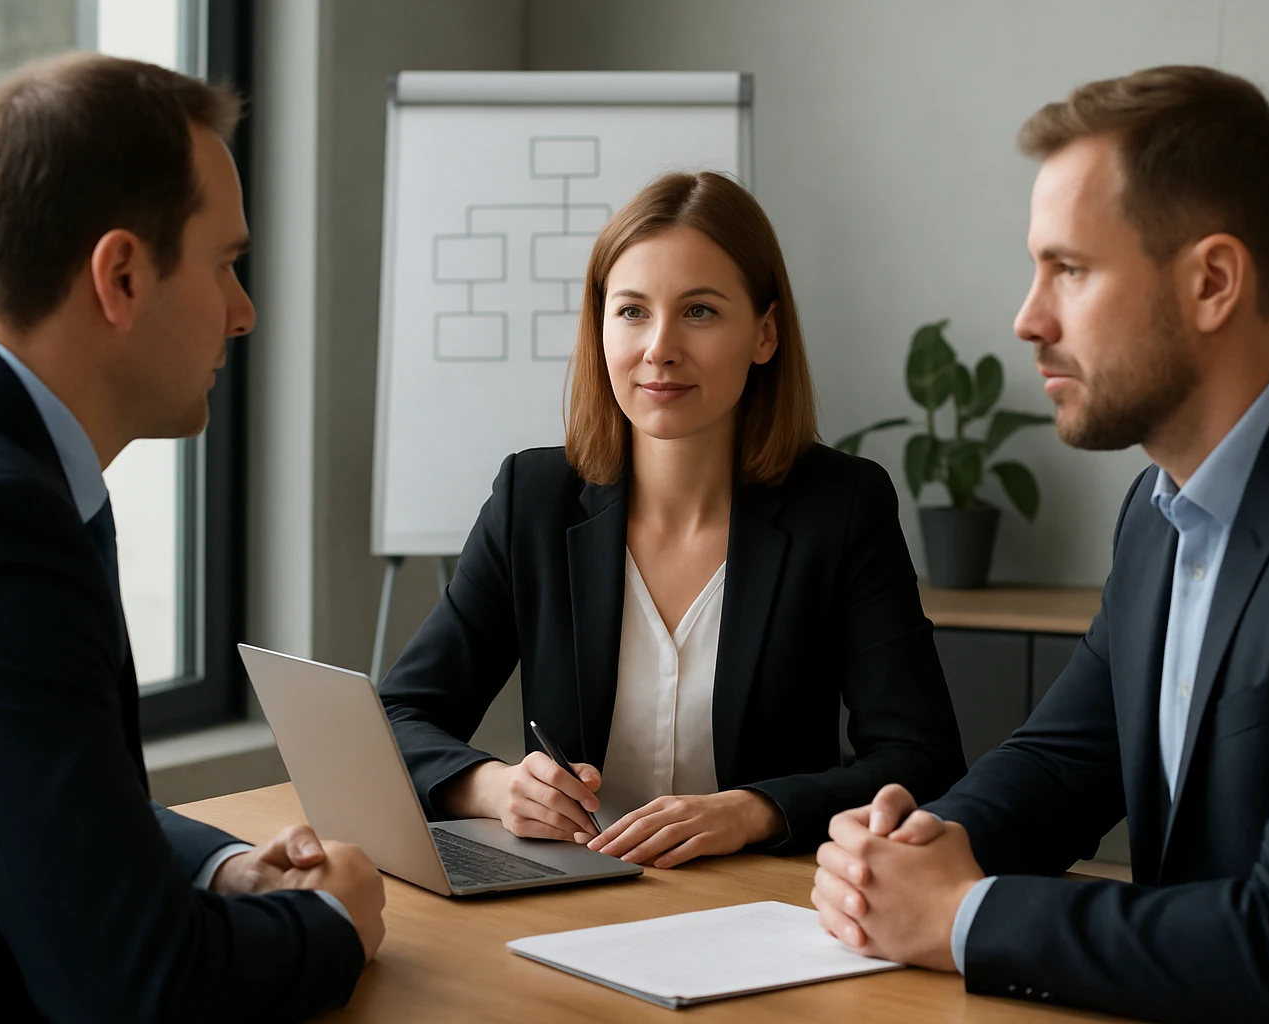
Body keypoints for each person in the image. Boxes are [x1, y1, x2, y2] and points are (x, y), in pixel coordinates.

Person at [810, 64, 1269, 1022]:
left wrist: (964, 917)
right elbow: (1064, 762)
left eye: (1071, 269)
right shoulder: (1157, 509)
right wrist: (921, 845)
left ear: (1212, 281)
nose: (1028, 318)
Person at [0, 54, 386, 1020]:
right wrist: (336, 922)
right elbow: (135, 989)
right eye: (225, 264)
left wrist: (225, 868)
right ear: (119, 275)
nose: (244, 314)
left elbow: (32, 795)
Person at [380, 171, 966, 868]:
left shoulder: (841, 508)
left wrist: (755, 811)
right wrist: (495, 785)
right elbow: (395, 719)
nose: (659, 347)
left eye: (699, 312)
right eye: (631, 311)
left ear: (765, 333)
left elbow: (922, 760)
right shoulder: (532, 499)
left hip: (761, 905)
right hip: (570, 897)